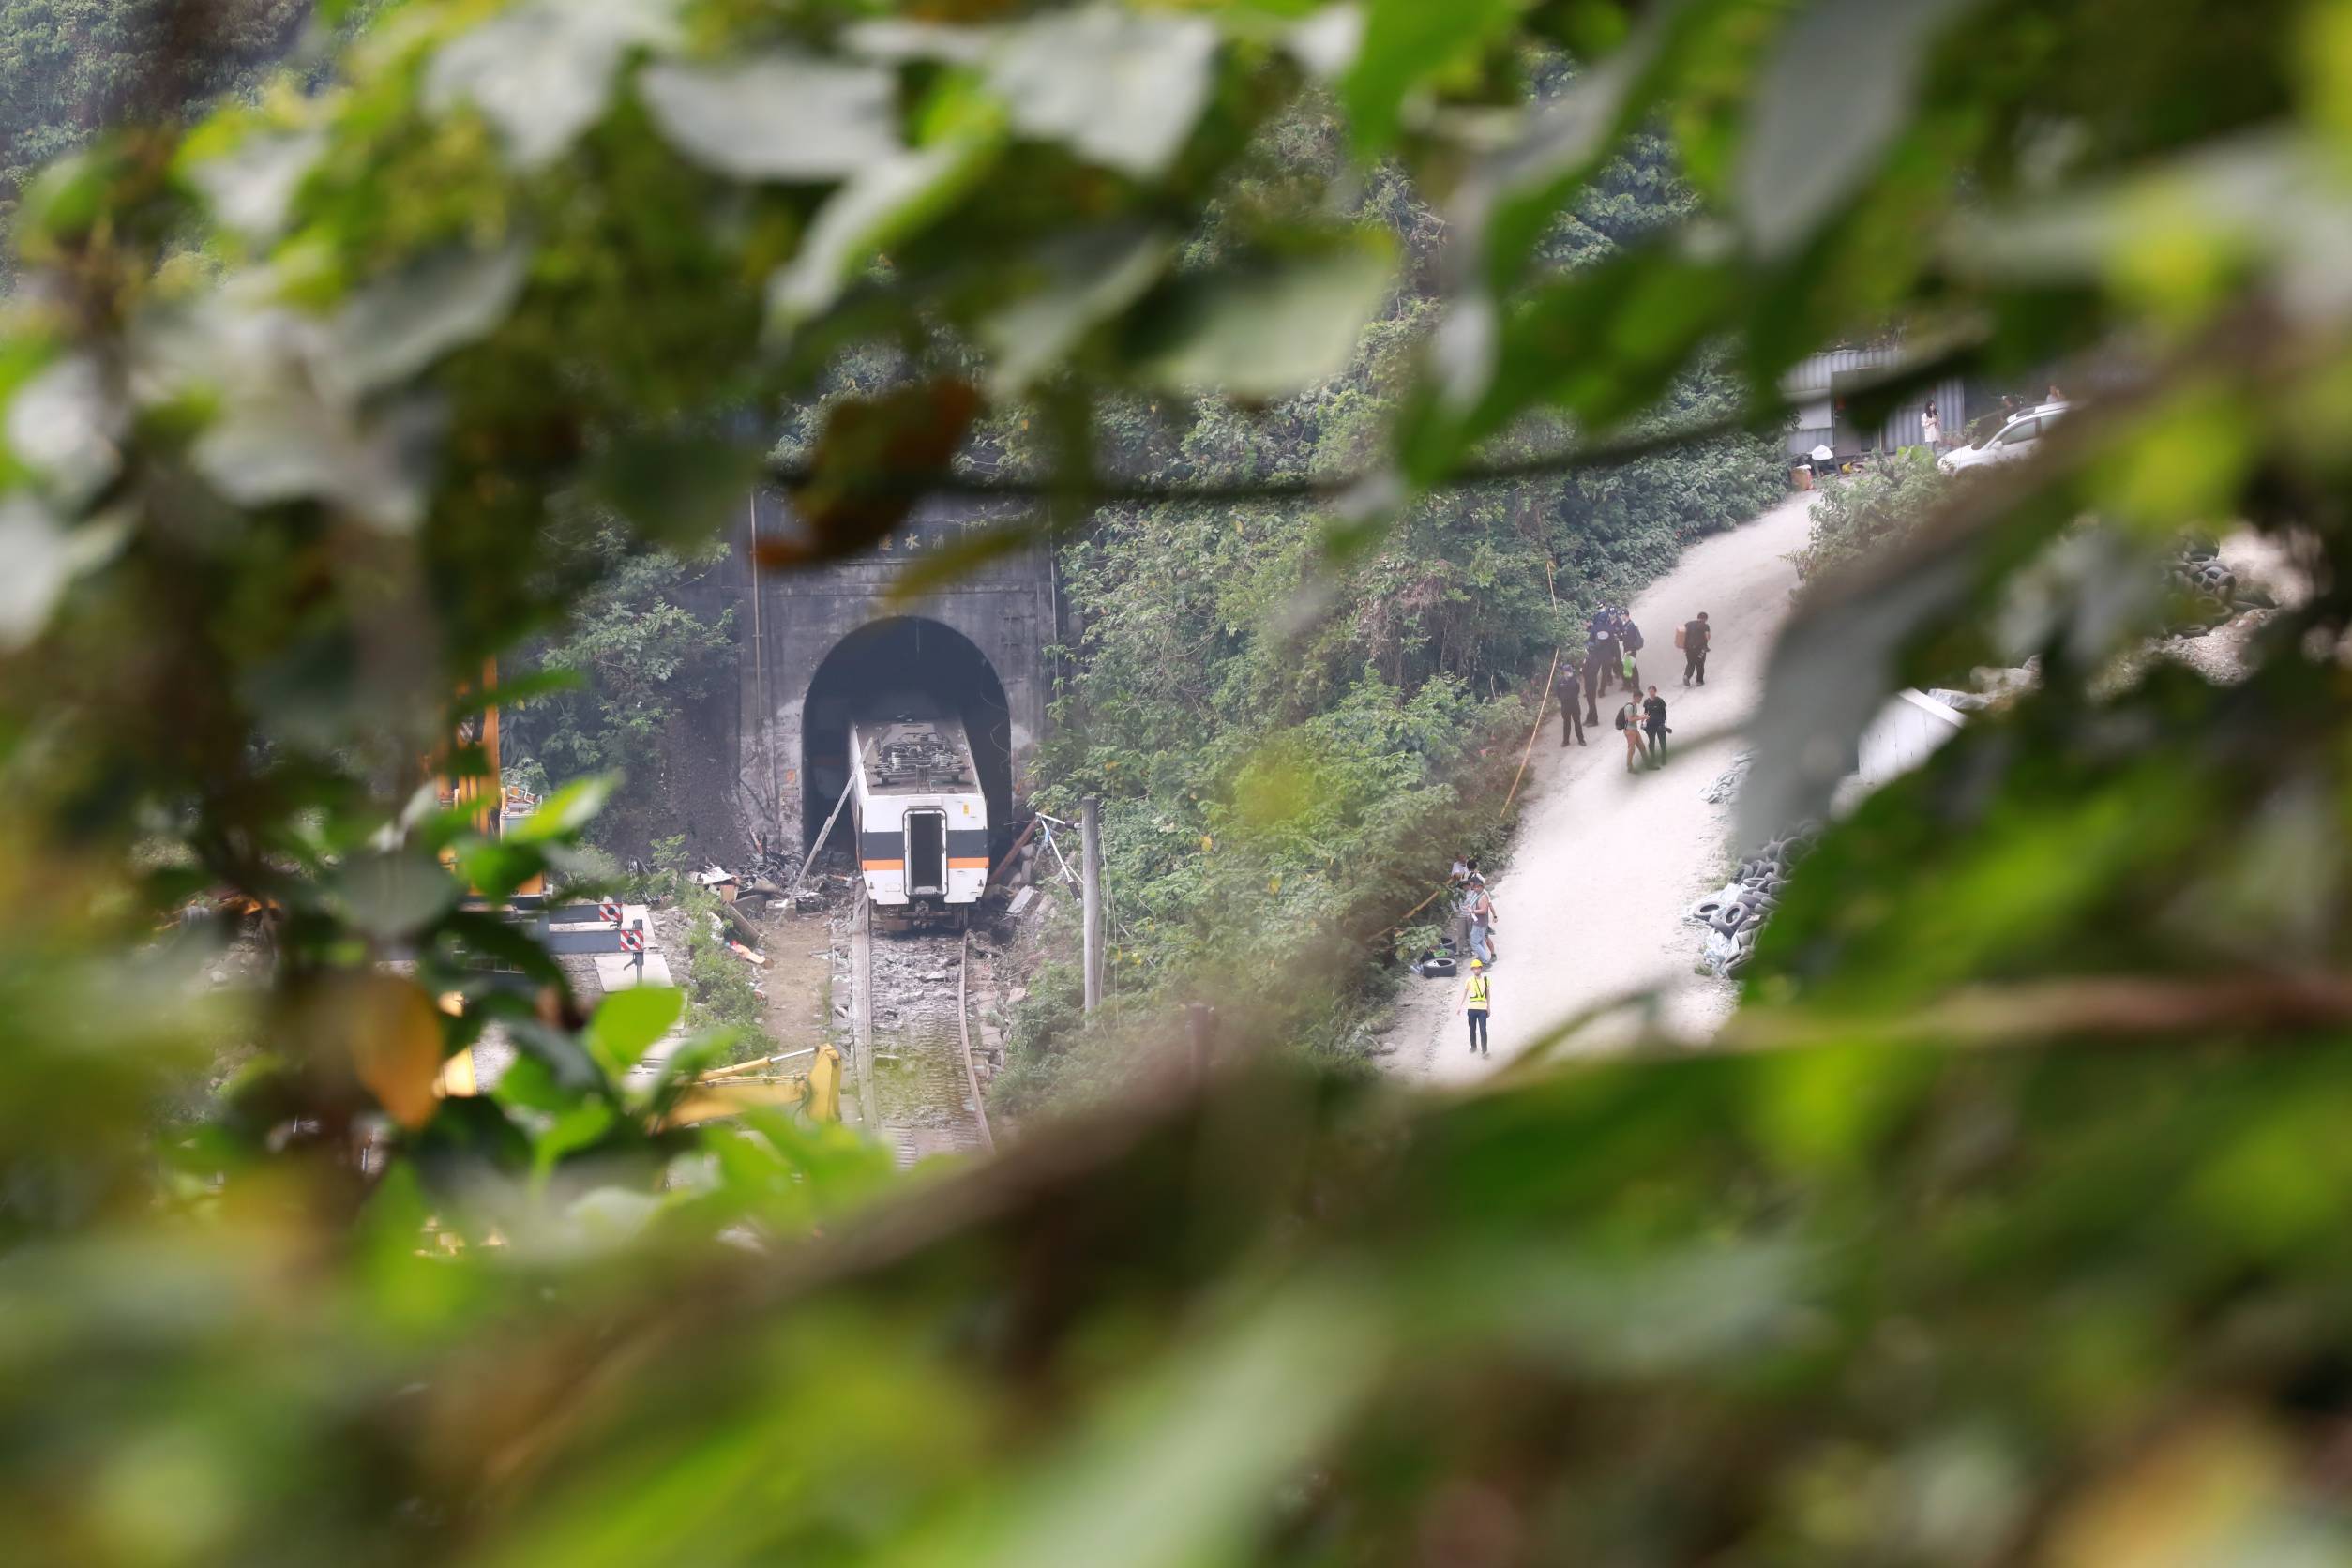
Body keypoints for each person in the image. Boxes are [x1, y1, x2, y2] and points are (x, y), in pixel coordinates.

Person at [1460, 958, 1491, 1057]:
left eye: (1478, 968)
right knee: (1472, 1028)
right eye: (1474, 969)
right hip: (1471, 1009)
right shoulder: (1469, 980)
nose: (1476, 970)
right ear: (1472, 970)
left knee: (1483, 1030)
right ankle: (1473, 1046)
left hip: (1482, 1009)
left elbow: (1488, 994)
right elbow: (1464, 994)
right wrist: (1460, 1006)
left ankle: (1484, 1051)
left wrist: (1488, 1007)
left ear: (1481, 969)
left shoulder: (1486, 980)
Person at [1614, 697, 1645, 773]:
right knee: (1631, 749)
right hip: (1629, 730)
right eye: (1640, 698)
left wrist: (1642, 716)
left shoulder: (1634, 705)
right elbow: (1630, 719)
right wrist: (1640, 718)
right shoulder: (1629, 707)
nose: (1641, 700)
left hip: (1634, 729)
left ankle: (1647, 763)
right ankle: (1629, 767)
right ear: (1636, 697)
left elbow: (1633, 715)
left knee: (1641, 746)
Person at [1558, 661, 1585, 746]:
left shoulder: (1575, 680)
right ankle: (1566, 741)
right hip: (1565, 706)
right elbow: (1557, 692)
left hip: (1574, 705)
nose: (1570, 673)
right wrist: (1563, 699)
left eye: (1570, 671)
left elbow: (1577, 690)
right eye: (1568, 672)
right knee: (1566, 723)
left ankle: (1581, 740)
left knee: (1577, 723)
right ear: (1564, 673)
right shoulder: (1560, 681)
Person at [1681, 611, 1710, 686]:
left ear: (1698, 617)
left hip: (1689, 649)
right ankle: (1699, 681)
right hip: (1700, 649)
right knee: (1700, 664)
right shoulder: (1705, 625)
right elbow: (1707, 636)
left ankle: (1686, 676)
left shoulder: (1688, 624)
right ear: (1705, 619)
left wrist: (1684, 646)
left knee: (1690, 664)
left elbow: (1683, 635)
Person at [1643, 686, 1669, 765]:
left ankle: (1663, 758)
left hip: (1660, 724)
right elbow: (1645, 713)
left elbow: (1664, 714)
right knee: (1651, 742)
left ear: (1655, 691)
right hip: (1650, 725)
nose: (1651, 693)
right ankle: (1652, 758)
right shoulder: (1646, 702)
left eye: (1652, 691)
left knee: (1662, 742)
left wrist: (1664, 724)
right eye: (1649, 691)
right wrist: (1644, 722)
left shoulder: (1660, 701)